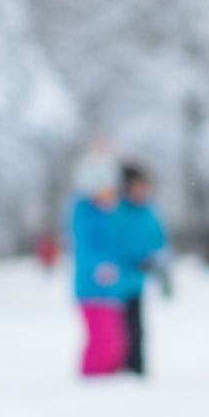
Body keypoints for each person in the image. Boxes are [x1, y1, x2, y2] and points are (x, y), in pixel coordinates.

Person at [70, 151, 126, 377]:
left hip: (111, 289)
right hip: (91, 289)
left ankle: (109, 376)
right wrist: (99, 267)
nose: (110, 196)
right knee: (101, 339)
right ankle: (92, 376)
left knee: (115, 341)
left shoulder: (109, 214)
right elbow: (86, 248)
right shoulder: (84, 214)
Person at [114, 162, 170, 376]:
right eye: (137, 186)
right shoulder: (117, 211)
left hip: (137, 280)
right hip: (116, 281)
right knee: (119, 329)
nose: (142, 190)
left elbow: (159, 240)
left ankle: (136, 368)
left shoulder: (149, 212)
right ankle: (121, 366)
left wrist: (158, 267)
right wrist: (130, 259)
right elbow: (113, 243)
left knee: (136, 328)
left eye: (144, 186)